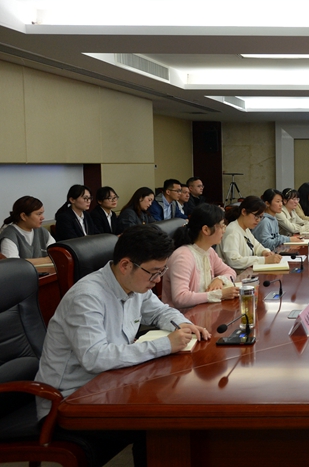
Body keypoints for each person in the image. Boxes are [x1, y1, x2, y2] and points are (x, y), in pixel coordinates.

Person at [35, 225, 210, 467]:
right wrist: (165, 345)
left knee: (177, 406)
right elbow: (95, 357)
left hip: (110, 384)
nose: (158, 280)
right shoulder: (87, 297)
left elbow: (160, 311)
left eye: (162, 271)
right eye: (154, 273)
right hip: (70, 401)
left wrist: (183, 324)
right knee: (159, 425)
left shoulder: (135, 284)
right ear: (126, 265)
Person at [162, 204, 238, 309]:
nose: (224, 231)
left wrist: (219, 279)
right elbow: (180, 298)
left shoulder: (209, 251)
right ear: (206, 230)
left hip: (204, 311)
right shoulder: (183, 257)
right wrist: (219, 294)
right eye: (221, 226)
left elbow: (230, 272)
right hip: (184, 316)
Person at [220, 195, 282, 272]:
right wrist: (264, 260)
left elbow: (256, 246)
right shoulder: (232, 231)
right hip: (234, 275)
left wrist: (264, 252)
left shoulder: (245, 229)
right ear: (244, 212)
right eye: (256, 216)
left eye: (261, 217)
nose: (258, 220)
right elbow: (233, 260)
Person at [0, 196, 56, 265]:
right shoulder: (9, 235)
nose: (43, 217)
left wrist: (26, 261)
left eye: (42, 213)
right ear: (23, 216)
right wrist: (46, 260)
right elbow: (13, 264)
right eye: (38, 214)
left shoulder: (42, 231)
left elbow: (57, 256)